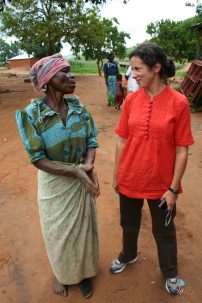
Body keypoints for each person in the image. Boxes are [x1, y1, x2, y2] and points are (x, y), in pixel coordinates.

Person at [110, 43, 194, 295]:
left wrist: (173, 188)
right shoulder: (132, 101)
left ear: (156, 68)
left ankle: (170, 272)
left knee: (164, 230)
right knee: (129, 223)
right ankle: (129, 255)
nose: (133, 74)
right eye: (132, 69)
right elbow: (121, 140)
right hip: (130, 177)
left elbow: (182, 150)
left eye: (138, 69)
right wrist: (116, 175)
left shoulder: (178, 103)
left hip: (161, 184)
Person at [16, 53, 100, 298]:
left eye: (70, 71)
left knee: (83, 231)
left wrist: (87, 166)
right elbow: (37, 157)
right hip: (55, 185)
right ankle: (62, 274)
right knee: (59, 234)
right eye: (65, 72)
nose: (71, 76)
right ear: (49, 79)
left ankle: (83, 274)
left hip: (80, 178)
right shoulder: (32, 115)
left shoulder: (79, 108)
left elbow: (92, 140)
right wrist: (75, 172)